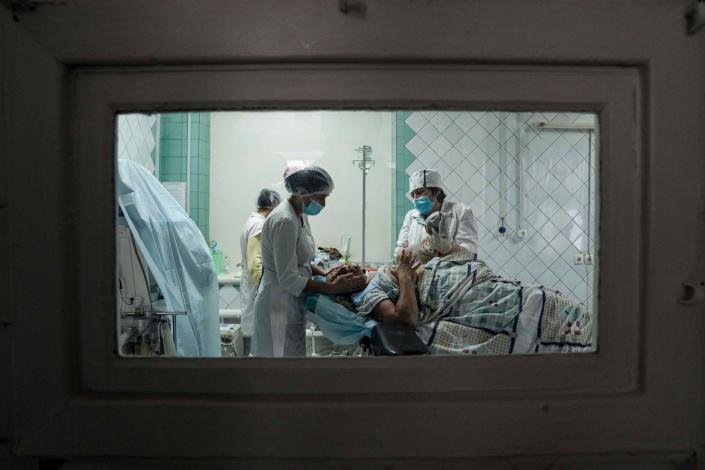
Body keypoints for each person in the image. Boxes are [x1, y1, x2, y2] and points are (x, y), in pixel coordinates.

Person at [252, 165, 367, 357]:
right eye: (321, 197)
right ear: (303, 193)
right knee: (277, 367)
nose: (323, 203)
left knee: (293, 361)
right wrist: (334, 288)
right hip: (278, 305)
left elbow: (299, 260)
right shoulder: (284, 221)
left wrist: (325, 274)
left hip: (292, 302)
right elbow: (288, 278)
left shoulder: (300, 214)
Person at [395, 168, 479, 259]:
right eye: (413, 195)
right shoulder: (411, 216)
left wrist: (448, 248)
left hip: (447, 271)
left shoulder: (461, 211)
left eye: (420, 192)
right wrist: (412, 251)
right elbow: (399, 249)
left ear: (437, 192)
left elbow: (471, 252)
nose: (415, 198)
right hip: (416, 271)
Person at [239, 188, 282, 355]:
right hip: (257, 291)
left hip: (253, 289)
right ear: (274, 207)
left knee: (257, 341)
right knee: (258, 344)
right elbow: (255, 265)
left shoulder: (252, 222)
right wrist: (267, 289)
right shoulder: (259, 225)